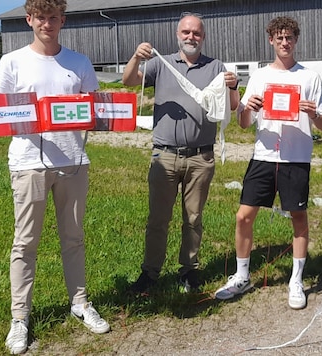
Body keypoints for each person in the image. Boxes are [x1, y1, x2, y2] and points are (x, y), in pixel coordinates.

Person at [0, 0, 110, 354]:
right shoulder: (11, 61)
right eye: (40, 17)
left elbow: (95, 108)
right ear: (29, 19)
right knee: (25, 242)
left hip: (74, 162)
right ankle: (20, 318)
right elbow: (1, 112)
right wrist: (36, 117)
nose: (47, 23)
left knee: (73, 238)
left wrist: (102, 114)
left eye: (53, 17)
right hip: (29, 163)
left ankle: (80, 302)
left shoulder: (79, 62)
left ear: (63, 20)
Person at [213, 16, 322, 309]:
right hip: (263, 156)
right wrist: (246, 107)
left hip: (296, 158)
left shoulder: (310, 77)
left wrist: (314, 113)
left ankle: (296, 280)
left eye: (289, 37)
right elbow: (242, 123)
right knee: (243, 216)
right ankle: (242, 276)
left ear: (296, 40)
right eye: (279, 38)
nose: (284, 42)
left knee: (298, 219)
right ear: (271, 41)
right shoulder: (260, 76)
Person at [122, 13, 240, 295]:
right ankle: (150, 273)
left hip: (201, 157)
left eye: (196, 33)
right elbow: (128, 81)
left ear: (203, 37)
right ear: (178, 35)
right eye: (186, 32)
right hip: (164, 156)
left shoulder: (216, 67)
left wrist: (233, 86)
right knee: (158, 219)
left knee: (193, 218)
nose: (191, 37)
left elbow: (233, 106)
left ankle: (189, 270)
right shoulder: (160, 64)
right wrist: (136, 57)